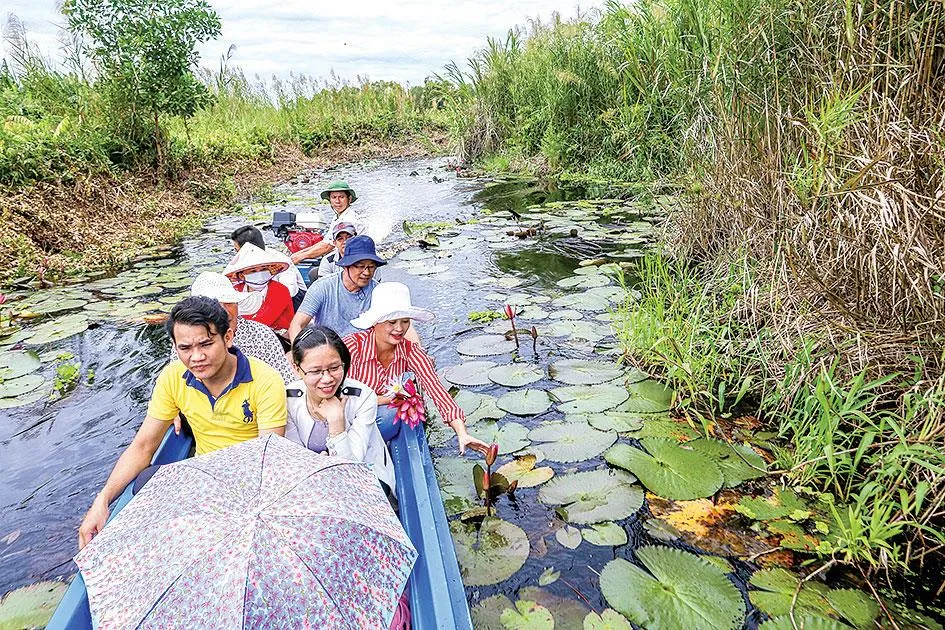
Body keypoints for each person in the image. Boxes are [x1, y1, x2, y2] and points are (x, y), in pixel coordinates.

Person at [77, 296, 287, 549]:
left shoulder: (265, 380)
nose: (196, 357)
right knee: (145, 481)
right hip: (202, 474)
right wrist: (102, 500)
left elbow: (268, 461)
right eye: (185, 348)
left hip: (247, 481)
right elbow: (143, 446)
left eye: (206, 344)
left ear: (228, 337)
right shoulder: (173, 377)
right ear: (175, 347)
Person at [344, 282, 488, 455]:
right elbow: (343, 397)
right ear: (375, 322)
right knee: (392, 412)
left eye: (405, 321)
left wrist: (462, 433)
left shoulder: (410, 351)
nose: (399, 328)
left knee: (393, 415)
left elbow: (437, 390)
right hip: (347, 420)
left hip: (379, 422)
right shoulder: (352, 347)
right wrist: (389, 398)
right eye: (392, 322)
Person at [284, 326, 395, 492]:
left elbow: (352, 467)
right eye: (316, 371)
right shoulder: (289, 399)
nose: (327, 379)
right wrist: (320, 465)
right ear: (297, 369)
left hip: (366, 478)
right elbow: (296, 458)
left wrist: (336, 423)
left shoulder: (363, 397)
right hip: (313, 480)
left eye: (334, 368)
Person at [184, 271, 295, 384]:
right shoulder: (184, 340)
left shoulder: (261, 335)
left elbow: (286, 381)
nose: (225, 312)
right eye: (216, 306)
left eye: (229, 303)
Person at [289, 235, 383, 341]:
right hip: (329, 346)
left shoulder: (379, 292)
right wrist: (299, 349)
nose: (367, 272)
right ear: (346, 266)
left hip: (365, 347)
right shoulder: (322, 287)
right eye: (361, 267)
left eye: (371, 267)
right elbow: (297, 325)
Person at [231, 225, 307, 310]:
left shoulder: (280, 261)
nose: (236, 254)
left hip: (291, 300)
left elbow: (290, 291)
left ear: (247, 249)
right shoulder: (241, 260)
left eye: (237, 250)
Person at [289, 180, 367, 264]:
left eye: (341, 197)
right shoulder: (337, 217)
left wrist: (301, 257)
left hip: (357, 259)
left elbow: (327, 246)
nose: (337, 201)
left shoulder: (349, 219)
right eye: (334, 197)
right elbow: (325, 242)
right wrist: (298, 254)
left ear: (349, 199)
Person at [224, 243, 295, 333]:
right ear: (242, 275)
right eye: (253, 271)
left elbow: (264, 320)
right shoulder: (236, 290)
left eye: (263, 269)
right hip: (240, 332)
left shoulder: (280, 290)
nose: (259, 273)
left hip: (277, 335)